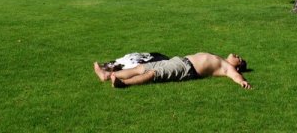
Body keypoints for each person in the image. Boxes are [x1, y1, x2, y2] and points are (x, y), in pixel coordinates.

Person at [93, 52, 251, 89]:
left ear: (237, 66)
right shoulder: (222, 59)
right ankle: (106, 75)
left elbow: (235, 76)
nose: (237, 55)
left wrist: (242, 81)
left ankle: (123, 83)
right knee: (140, 68)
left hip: (186, 68)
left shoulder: (227, 67)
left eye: (240, 59)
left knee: (153, 74)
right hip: (178, 61)